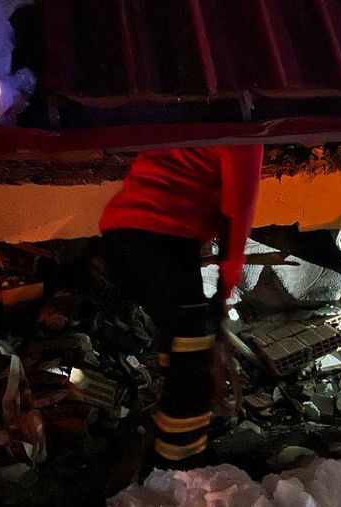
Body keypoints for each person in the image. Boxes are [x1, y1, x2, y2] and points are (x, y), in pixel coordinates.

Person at [99, 144, 263, 468]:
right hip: (160, 238)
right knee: (194, 348)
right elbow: (239, 211)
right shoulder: (247, 135)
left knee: (180, 334)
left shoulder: (192, 120)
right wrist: (225, 288)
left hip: (122, 235)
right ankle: (181, 461)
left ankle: (168, 421)